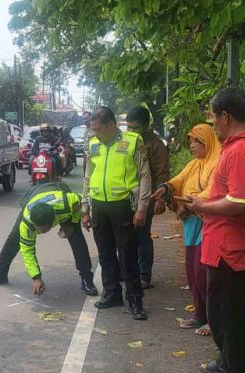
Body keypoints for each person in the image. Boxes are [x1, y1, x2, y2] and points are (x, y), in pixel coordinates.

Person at [188, 87, 245, 373]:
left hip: (231, 250)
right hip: (230, 246)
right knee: (225, 311)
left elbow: (242, 202)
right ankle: (227, 363)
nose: (212, 124)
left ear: (225, 116)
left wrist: (203, 207)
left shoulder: (239, 152)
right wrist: (202, 200)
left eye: (213, 116)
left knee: (226, 315)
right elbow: (230, 195)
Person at [81, 107, 151, 320]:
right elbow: (87, 176)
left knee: (128, 255)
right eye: (92, 129)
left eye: (99, 129)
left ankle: (135, 299)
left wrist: (142, 208)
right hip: (99, 206)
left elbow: (144, 175)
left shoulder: (132, 141)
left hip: (123, 206)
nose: (95, 134)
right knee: (105, 253)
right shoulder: (93, 144)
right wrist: (85, 208)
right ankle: (112, 293)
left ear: (112, 125)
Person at [153, 124, 220, 337]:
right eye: (191, 141)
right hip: (190, 223)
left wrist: (190, 203)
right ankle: (200, 315)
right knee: (192, 271)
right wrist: (166, 188)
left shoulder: (217, 163)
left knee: (204, 273)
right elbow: (179, 180)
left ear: (208, 141)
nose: (192, 145)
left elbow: (212, 191)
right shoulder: (194, 164)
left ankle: (212, 320)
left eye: (196, 141)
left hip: (205, 222)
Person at [0, 182, 98, 296]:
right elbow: (27, 251)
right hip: (35, 195)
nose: (40, 233)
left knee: (76, 237)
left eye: (43, 229)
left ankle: (86, 279)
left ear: (53, 220)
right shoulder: (27, 223)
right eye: (37, 229)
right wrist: (36, 277)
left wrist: (73, 221)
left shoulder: (66, 203)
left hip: (57, 190)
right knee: (14, 238)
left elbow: (82, 202)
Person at [126, 106, 171, 289]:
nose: (131, 131)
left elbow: (162, 172)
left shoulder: (155, 145)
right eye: (128, 128)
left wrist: (160, 199)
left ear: (146, 126)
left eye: (135, 128)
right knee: (127, 238)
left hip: (147, 198)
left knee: (143, 237)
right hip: (126, 197)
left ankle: (145, 276)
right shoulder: (125, 142)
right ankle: (128, 272)